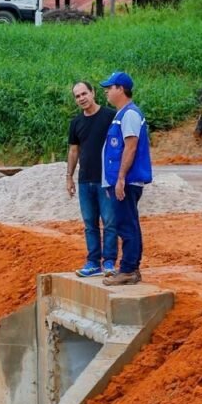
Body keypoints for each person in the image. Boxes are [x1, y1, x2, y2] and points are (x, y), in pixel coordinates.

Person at [99, 71, 153, 286]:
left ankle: (128, 269)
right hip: (123, 180)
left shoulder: (129, 114)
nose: (106, 92)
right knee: (129, 223)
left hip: (127, 181)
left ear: (121, 89)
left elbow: (130, 147)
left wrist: (120, 178)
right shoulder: (122, 114)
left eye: (109, 88)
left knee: (126, 225)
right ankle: (131, 267)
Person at [66, 81, 117, 278]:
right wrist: (69, 177)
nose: (82, 98)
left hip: (106, 180)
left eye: (84, 93)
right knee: (89, 223)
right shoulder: (76, 123)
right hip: (85, 180)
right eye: (77, 96)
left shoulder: (110, 116)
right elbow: (73, 151)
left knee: (110, 221)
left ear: (93, 92)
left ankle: (109, 262)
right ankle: (93, 262)